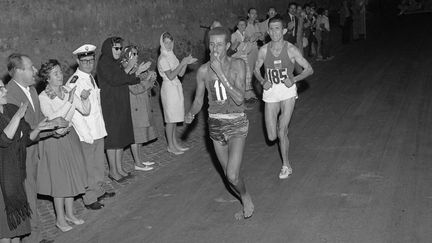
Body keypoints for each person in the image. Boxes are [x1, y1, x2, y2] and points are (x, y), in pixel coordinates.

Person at [185, 27, 254, 219]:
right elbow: (199, 100)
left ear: (228, 45)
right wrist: (191, 113)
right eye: (212, 44)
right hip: (215, 125)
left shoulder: (238, 64)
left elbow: (240, 98)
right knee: (229, 175)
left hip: (236, 123)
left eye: (220, 44)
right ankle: (242, 193)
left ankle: (246, 197)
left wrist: (220, 73)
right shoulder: (203, 71)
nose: (215, 49)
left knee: (232, 175)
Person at [5, 53, 69, 243]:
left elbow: (40, 120)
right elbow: (23, 133)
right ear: (18, 71)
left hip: (35, 151)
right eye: (30, 67)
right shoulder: (10, 95)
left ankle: (34, 236)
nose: (35, 71)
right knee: (27, 198)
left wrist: (54, 128)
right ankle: (32, 238)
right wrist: (50, 130)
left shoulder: (30, 89)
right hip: (21, 156)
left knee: (32, 195)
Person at [254, 16, 313, 179]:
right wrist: (261, 80)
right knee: (272, 136)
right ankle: (281, 132)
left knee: (282, 131)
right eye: (271, 29)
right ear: (267, 31)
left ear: (284, 31)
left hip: (287, 91)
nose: (274, 32)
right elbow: (256, 69)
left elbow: (309, 69)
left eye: (277, 28)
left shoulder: (291, 49)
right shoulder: (263, 50)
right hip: (271, 91)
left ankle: (286, 165)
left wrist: (293, 79)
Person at [37, 59, 90, 232]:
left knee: (71, 175)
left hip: (69, 135)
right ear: (47, 78)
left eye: (60, 72)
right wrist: (68, 101)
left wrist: (84, 98)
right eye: (55, 73)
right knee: (59, 180)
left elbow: (84, 110)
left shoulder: (67, 90)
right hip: (54, 140)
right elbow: (53, 118)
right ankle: (59, 219)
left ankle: (70, 213)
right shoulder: (44, 97)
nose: (60, 76)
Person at [0, 79, 53, 243]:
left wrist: (39, 128)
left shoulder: (10, 109)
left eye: (3, 88)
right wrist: (17, 117)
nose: (5, 91)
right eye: (0, 89)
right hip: (3, 181)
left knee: (17, 231)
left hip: (16, 175)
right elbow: (4, 140)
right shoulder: (15, 113)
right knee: (5, 232)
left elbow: (25, 139)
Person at [66, 44, 114, 210]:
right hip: (86, 132)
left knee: (98, 164)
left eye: (91, 60)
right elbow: (75, 112)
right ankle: (89, 197)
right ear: (77, 61)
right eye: (84, 61)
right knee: (88, 166)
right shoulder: (74, 82)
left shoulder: (90, 77)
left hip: (97, 128)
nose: (88, 64)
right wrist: (85, 134)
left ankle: (99, 190)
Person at [97, 37, 149, 181]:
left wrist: (138, 73)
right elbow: (115, 79)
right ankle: (113, 171)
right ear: (109, 48)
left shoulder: (116, 63)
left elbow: (127, 78)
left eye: (120, 48)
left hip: (121, 103)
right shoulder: (104, 63)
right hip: (111, 106)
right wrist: (129, 68)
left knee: (120, 138)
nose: (119, 51)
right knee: (113, 140)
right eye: (116, 48)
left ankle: (119, 168)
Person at [157, 32, 197, 155]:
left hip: (176, 88)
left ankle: (174, 143)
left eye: (170, 42)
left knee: (174, 118)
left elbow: (180, 74)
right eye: (166, 43)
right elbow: (170, 75)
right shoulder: (163, 58)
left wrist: (185, 63)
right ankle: (170, 145)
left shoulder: (172, 55)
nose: (169, 45)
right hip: (168, 89)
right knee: (170, 119)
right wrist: (182, 63)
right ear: (162, 43)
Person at [120, 46, 158, 171]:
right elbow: (135, 88)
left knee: (141, 134)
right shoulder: (126, 69)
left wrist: (151, 78)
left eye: (137, 54)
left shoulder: (135, 67)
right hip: (134, 105)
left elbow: (144, 84)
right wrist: (147, 79)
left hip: (142, 103)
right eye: (134, 54)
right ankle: (137, 163)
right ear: (128, 55)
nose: (136, 56)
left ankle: (139, 160)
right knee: (136, 136)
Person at [244, 8, 263, 101]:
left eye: (256, 13)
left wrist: (260, 35)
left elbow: (261, 37)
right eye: (252, 13)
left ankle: (254, 92)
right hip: (248, 51)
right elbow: (250, 39)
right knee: (248, 72)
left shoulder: (256, 25)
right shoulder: (245, 25)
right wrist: (257, 35)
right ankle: (247, 95)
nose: (254, 15)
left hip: (255, 50)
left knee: (256, 70)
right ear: (248, 14)